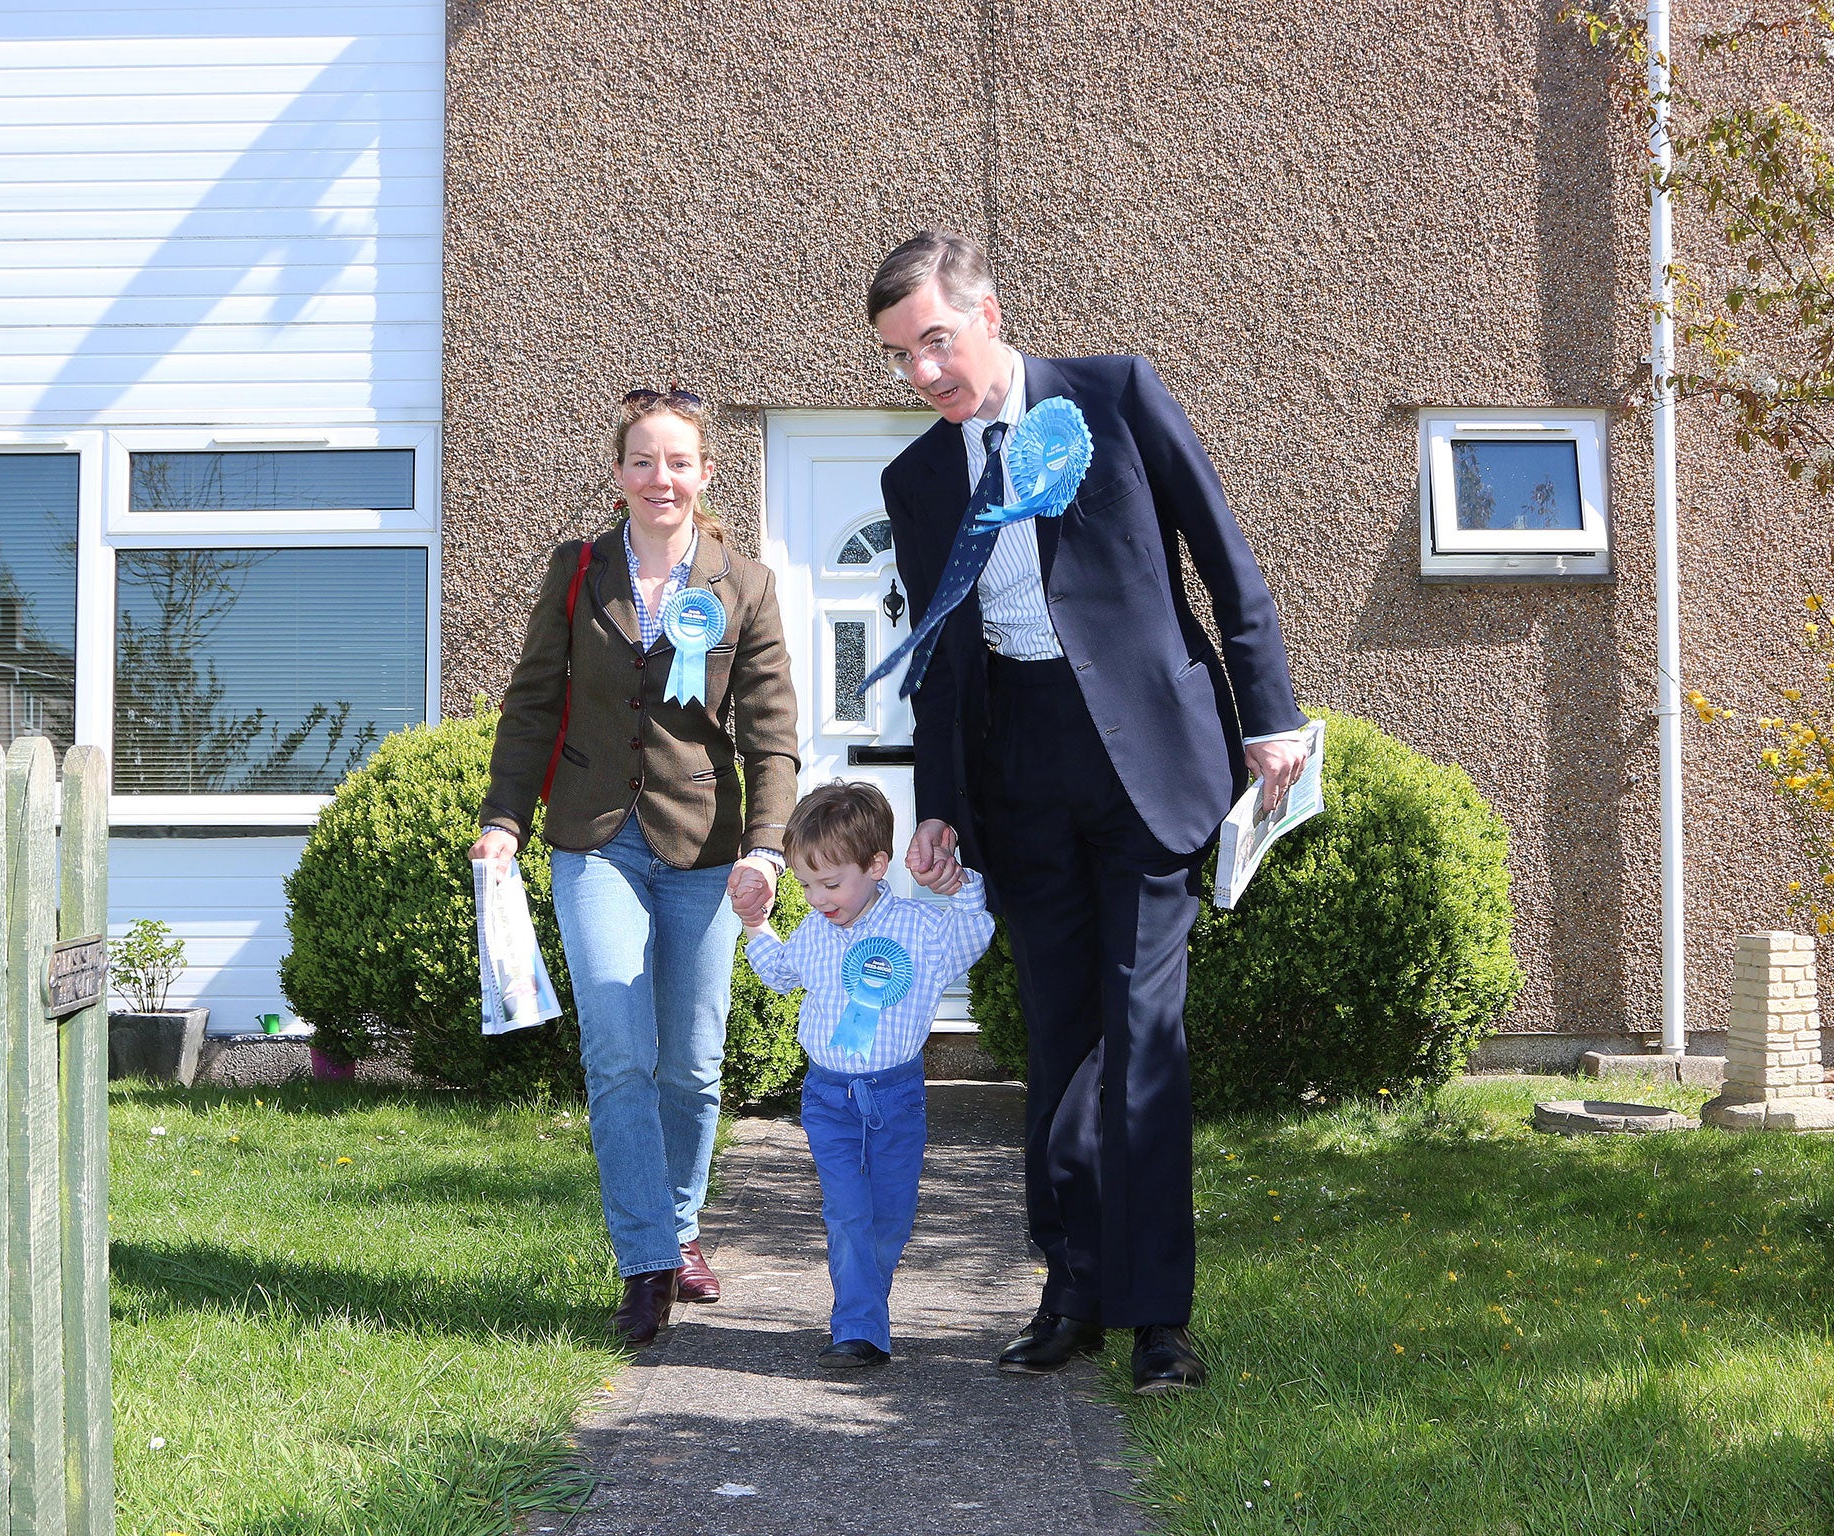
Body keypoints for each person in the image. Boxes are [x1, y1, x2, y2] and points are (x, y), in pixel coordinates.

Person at [864, 231, 1308, 1394]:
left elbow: (1223, 555)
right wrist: (940, 806)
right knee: (1057, 1040)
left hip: (1147, 759)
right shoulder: (914, 479)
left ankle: (1159, 1317)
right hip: (1017, 768)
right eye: (900, 358)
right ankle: (1069, 1291)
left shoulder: (1112, 394)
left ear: (987, 314)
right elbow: (941, 658)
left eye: (934, 343)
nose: (922, 373)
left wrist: (1269, 716)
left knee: (1140, 1037)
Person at [469, 388, 799, 1346]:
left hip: (704, 844)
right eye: (645, 461)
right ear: (618, 473)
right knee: (619, 1049)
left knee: (693, 1068)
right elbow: (533, 703)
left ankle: (685, 1225)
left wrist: (769, 847)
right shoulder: (579, 572)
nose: (663, 479)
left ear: (705, 473)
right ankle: (647, 1259)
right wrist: (504, 819)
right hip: (593, 837)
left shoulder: (745, 581)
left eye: (680, 462)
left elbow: (770, 732)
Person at [736, 781, 993, 1369]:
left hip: (897, 1096)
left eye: (830, 883)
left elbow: (975, 931)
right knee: (848, 1211)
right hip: (829, 1098)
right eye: (804, 885)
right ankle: (858, 1326)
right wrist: (756, 926)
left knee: (891, 1218)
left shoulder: (920, 930)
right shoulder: (813, 932)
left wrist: (959, 885)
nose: (816, 898)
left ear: (877, 865)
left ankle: (864, 1309)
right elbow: (779, 974)